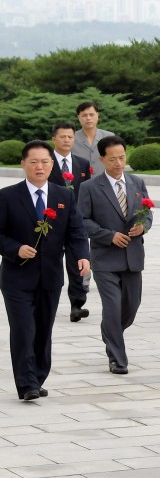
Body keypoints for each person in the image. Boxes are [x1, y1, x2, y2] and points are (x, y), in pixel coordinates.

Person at [0, 141, 91, 400]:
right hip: (16, 277)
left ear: (52, 165)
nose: (40, 167)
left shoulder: (64, 195)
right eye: (34, 162)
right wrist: (15, 249)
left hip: (50, 276)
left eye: (45, 162)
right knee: (23, 329)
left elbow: (75, 231)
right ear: (23, 165)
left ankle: (38, 377)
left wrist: (82, 256)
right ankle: (27, 384)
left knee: (43, 330)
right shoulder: (7, 196)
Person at [77, 136, 151, 375]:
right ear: (101, 159)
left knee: (131, 307)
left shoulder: (137, 182)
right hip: (105, 258)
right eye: (112, 159)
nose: (118, 163)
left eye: (122, 157)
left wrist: (143, 226)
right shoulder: (89, 187)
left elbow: (147, 213)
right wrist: (108, 235)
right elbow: (82, 220)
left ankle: (110, 331)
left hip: (133, 257)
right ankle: (118, 359)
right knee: (112, 306)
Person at [49, 121, 93, 322]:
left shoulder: (82, 163)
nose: (67, 140)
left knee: (78, 261)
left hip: (75, 220)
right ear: (53, 139)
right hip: (50, 220)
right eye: (62, 136)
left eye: (70, 137)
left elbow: (85, 192)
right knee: (51, 262)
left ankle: (77, 304)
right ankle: (48, 299)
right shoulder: (45, 161)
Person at [72, 101, 115, 176]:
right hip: (80, 184)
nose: (88, 118)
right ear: (78, 117)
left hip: (104, 182)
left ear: (97, 115)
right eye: (84, 115)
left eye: (91, 115)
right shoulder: (71, 138)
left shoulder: (109, 137)